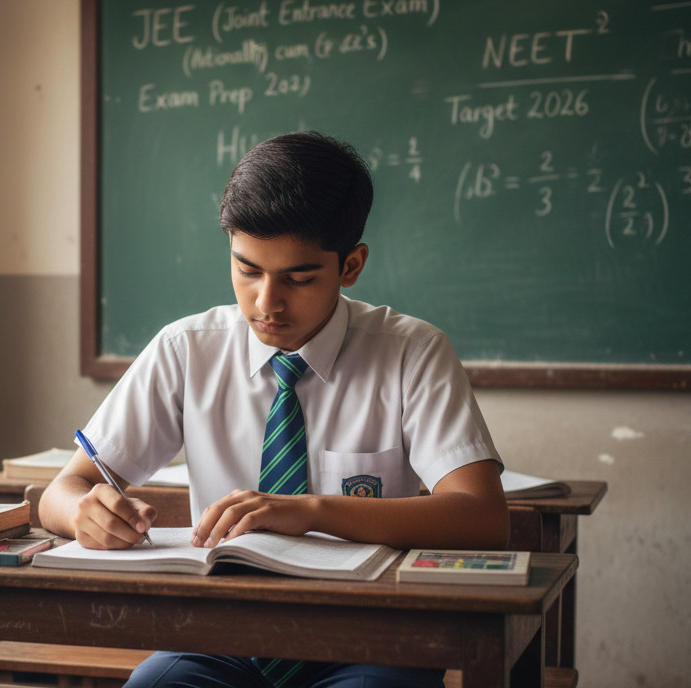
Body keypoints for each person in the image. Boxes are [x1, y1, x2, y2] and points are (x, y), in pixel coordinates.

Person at [39, 130, 509, 688]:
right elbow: (62, 490)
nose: (266, 303)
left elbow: (482, 517)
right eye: (247, 270)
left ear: (351, 265)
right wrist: (83, 513)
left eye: (299, 277)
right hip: (220, 636)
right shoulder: (187, 349)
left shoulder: (412, 352)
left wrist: (311, 511)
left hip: (371, 637)